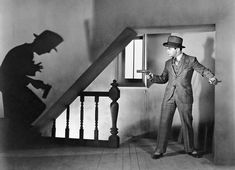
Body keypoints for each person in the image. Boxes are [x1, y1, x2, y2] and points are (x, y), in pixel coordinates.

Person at [146, 35, 219, 159]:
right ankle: (159, 150)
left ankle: (190, 149)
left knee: (186, 123)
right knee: (164, 123)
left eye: (169, 48)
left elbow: (202, 70)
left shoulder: (191, 60)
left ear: (178, 49)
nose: (167, 51)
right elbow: (164, 79)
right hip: (169, 96)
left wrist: (211, 77)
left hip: (184, 96)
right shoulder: (168, 63)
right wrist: (152, 77)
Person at [0, 30, 63, 126]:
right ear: (41, 43)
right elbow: (11, 75)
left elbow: (15, 74)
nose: (48, 51)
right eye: (49, 47)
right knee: (37, 107)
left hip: (9, 88)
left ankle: (19, 131)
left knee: (14, 119)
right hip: (11, 88)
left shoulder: (24, 51)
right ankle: (20, 132)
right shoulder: (24, 53)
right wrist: (33, 81)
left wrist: (32, 81)